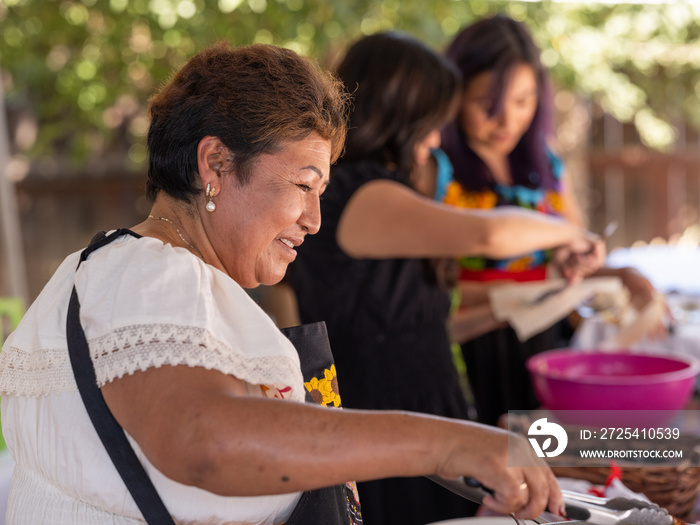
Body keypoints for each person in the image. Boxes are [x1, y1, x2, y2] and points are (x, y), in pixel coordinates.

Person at [0, 40, 567, 525]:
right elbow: (205, 440)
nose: (314, 219)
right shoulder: (150, 273)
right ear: (215, 164)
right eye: (303, 183)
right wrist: (447, 443)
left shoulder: (142, 273)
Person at [288, 32, 604, 525]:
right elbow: (488, 235)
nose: (437, 141)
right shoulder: (359, 195)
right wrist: (569, 231)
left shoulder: (380, 191)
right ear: (399, 116)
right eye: (432, 125)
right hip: (388, 433)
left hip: (420, 422)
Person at [438, 14, 665, 426]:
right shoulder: (436, 171)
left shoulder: (547, 168)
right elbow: (426, 285)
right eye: (486, 105)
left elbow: (573, 256)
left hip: (543, 347)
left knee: (546, 460)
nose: (507, 121)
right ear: (453, 94)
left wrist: (619, 274)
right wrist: (525, 292)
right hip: (469, 351)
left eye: (522, 102)